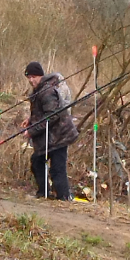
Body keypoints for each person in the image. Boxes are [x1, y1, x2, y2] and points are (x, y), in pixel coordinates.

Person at [23, 61, 78, 200]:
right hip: (50, 136)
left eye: (33, 77)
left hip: (60, 135)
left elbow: (52, 116)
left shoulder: (47, 91)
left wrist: (32, 131)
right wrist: (30, 120)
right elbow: (42, 112)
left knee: (57, 168)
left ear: (40, 75)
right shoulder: (39, 90)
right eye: (29, 77)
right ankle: (44, 193)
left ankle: (63, 197)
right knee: (37, 161)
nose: (31, 80)